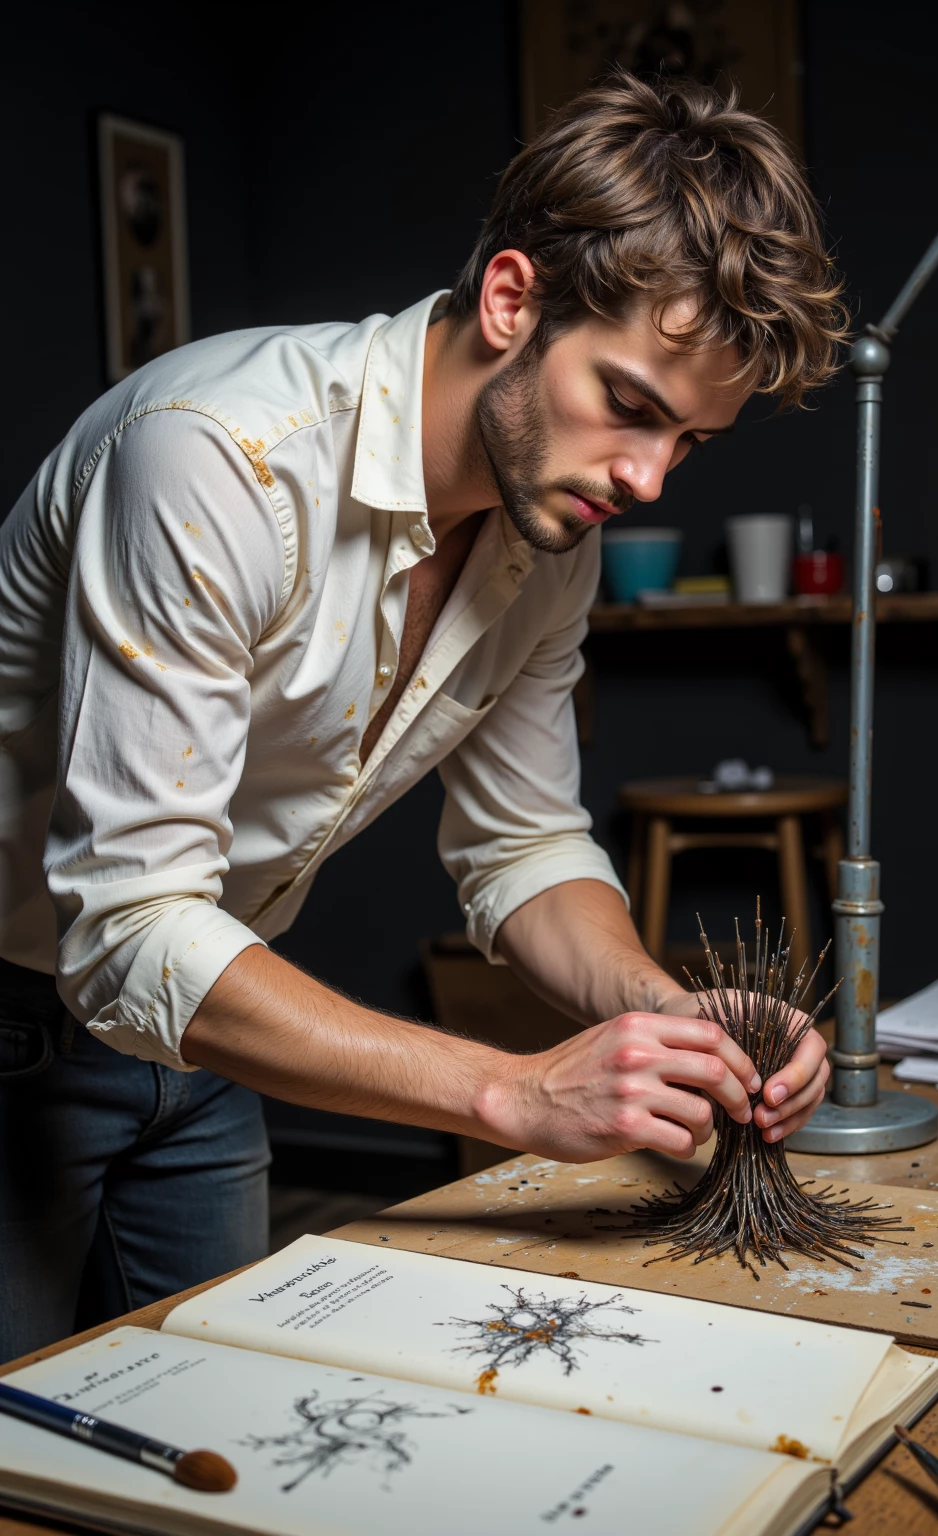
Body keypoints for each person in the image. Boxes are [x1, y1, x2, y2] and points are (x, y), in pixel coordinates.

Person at [0, 72, 846, 1359]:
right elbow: (128, 928)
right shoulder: (216, 455)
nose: (647, 478)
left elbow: (526, 847)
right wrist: (514, 1091)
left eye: (690, 442)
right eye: (630, 406)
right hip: (24, 1014)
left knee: (202, 1412)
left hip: (216, 1033)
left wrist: (672, 1016)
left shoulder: (550, 529)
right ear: (511, 299)